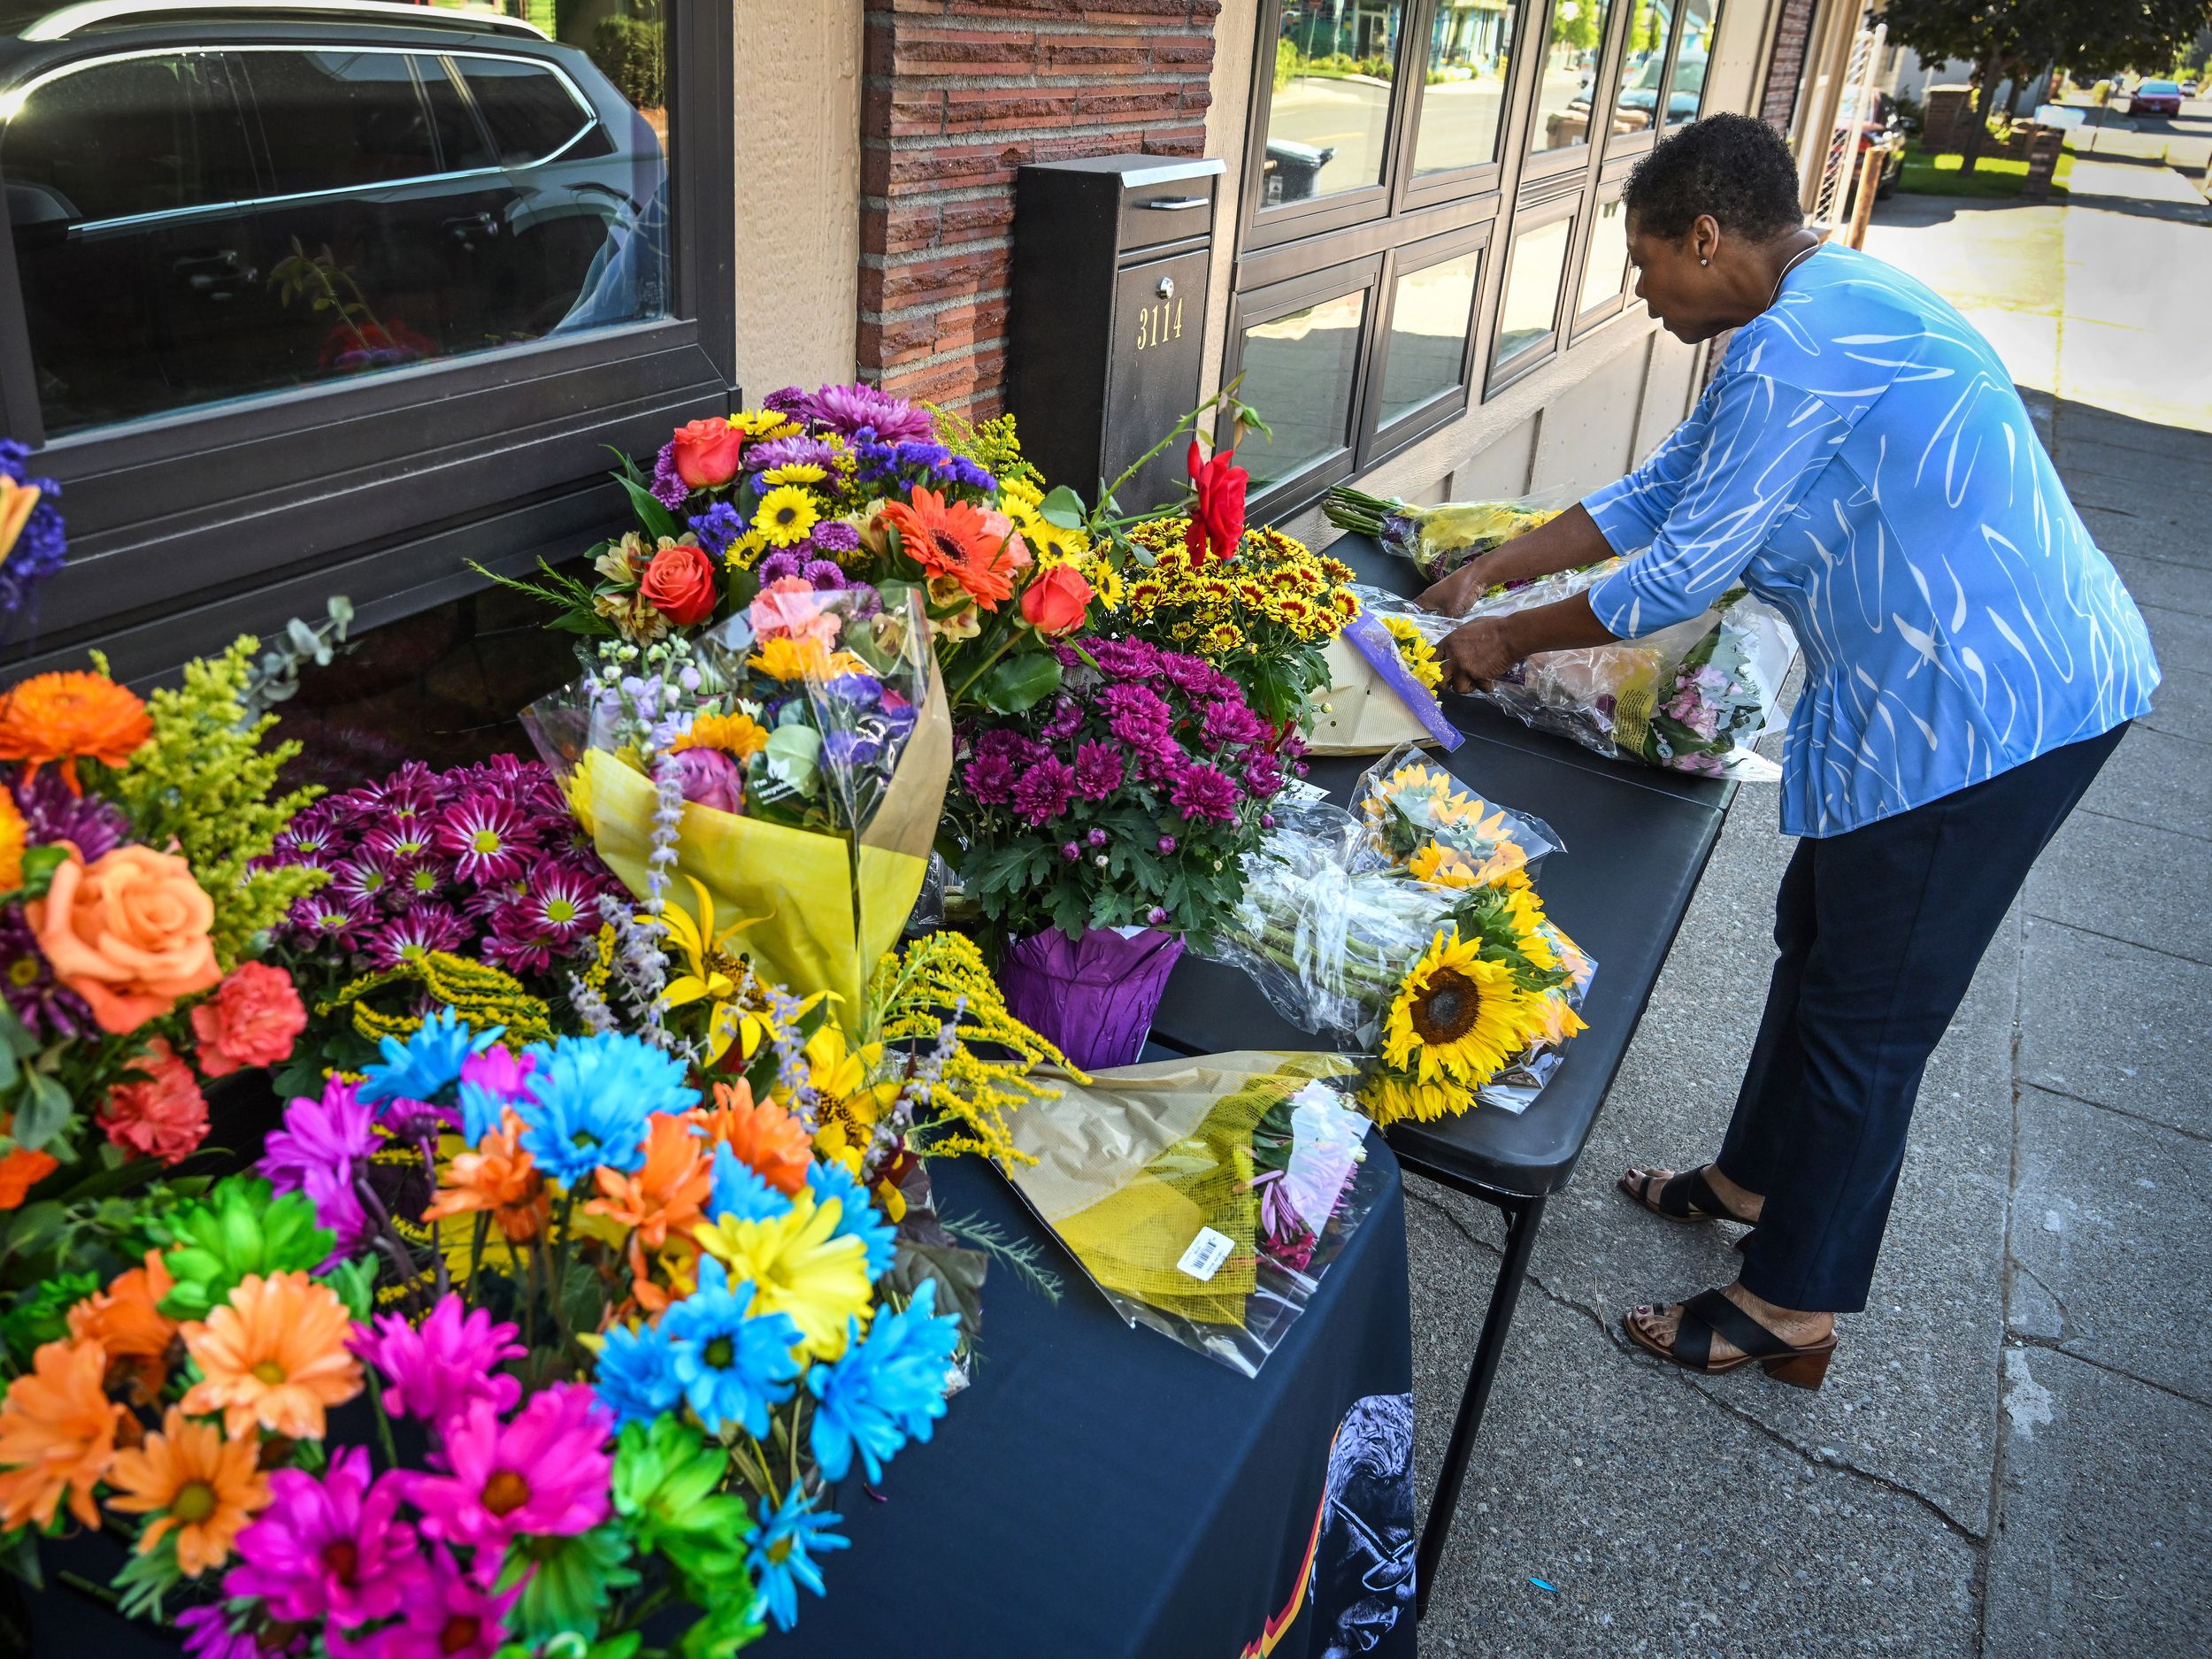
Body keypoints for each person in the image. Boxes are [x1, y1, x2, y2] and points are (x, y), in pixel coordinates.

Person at [1420, 113, 2160, 1390]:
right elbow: (1660, 494)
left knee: (1871, 1018)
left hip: (1997, 711)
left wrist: (1503, 644)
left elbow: (1682, 571)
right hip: (1943, 690)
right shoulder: (1809, 311)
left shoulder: (1800, 347)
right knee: (1819, 940)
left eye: (1650, 264)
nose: (1643, 295)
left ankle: (1791, 1307)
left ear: (1707, 236)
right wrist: (1496, 564)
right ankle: (1751, 1177)